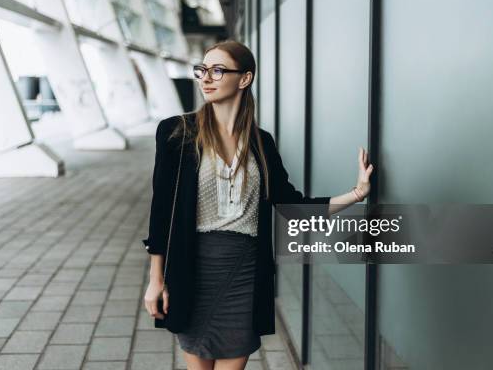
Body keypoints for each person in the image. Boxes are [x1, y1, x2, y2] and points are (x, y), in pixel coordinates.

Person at [142, 40, 374, 370]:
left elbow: (291, 205)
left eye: (218, 70)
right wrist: (156, 279)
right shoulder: (177, 132)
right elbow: (161, 210)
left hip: (244, 273)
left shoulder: (261, 142)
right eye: (202, 70)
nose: (206, 78)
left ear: (245, 78)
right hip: (192, 271)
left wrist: (356, 193)